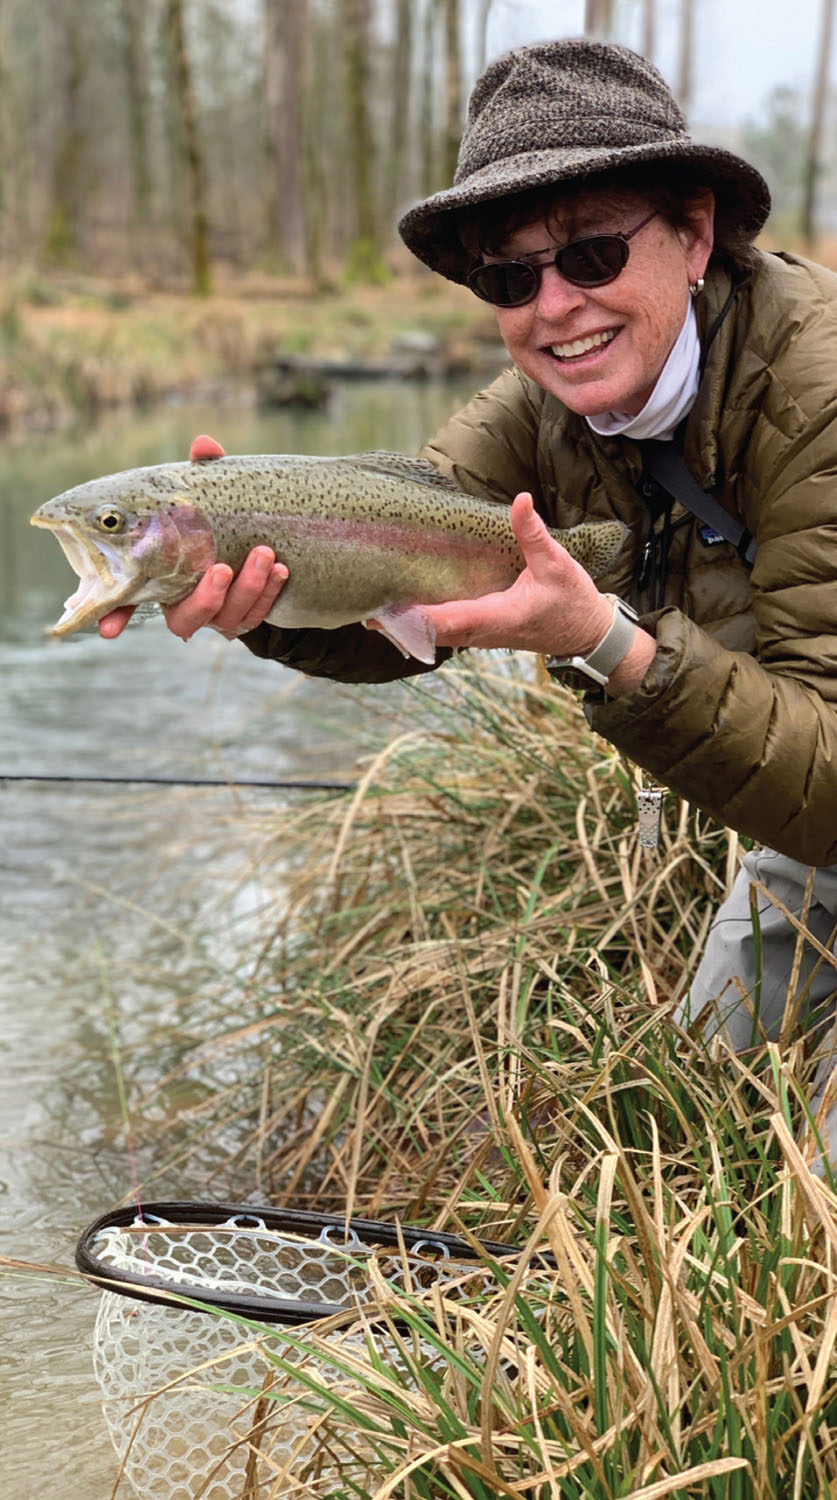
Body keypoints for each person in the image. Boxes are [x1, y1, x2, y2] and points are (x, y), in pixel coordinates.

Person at [101, 38, 837, 1168]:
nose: (555, 309)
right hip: (800, 816)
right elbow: (408, 606)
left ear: (696, 235)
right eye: (510, 277)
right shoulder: (537, 411)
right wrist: (270, 596)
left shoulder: (818, 395)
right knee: (698, 1117)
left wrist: (605, 647)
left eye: (592, 254)